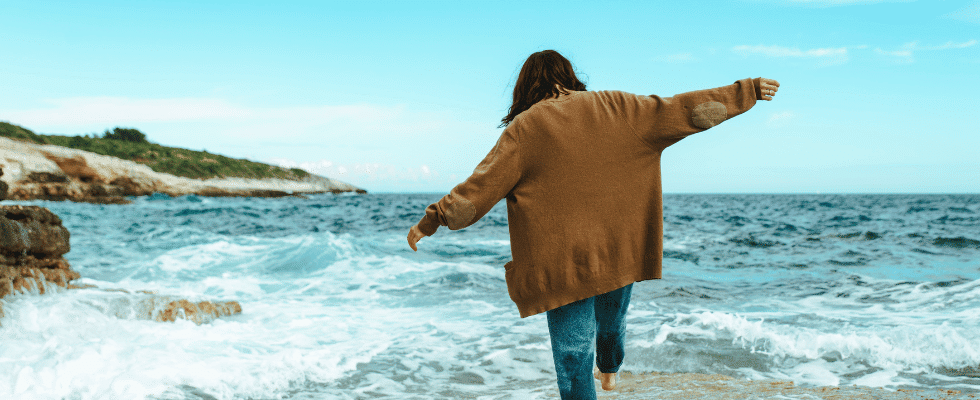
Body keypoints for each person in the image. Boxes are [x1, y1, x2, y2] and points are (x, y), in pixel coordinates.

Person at [407, 49, 779, 399]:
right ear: (570, 76)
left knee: (573, 358)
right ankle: (611, 368)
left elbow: (479, 190)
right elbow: (685, 111)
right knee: (612, 322)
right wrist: (744, 92)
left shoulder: (524, 128)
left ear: (525, 87)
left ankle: (605, 368)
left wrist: (432, 220)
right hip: (619, 249)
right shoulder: (619, 107)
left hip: (561, 264)